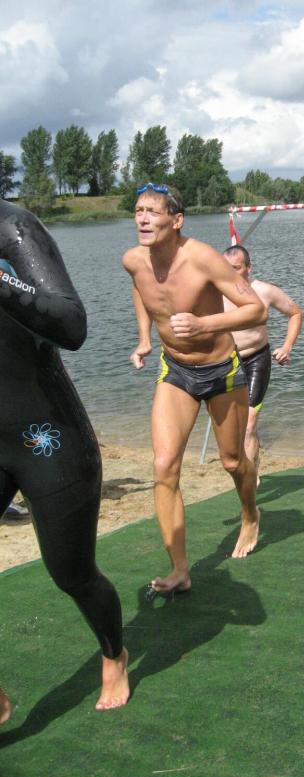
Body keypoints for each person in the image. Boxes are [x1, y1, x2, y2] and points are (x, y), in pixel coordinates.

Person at [0, 198, 128, 712]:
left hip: (45, 434)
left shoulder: (13, 227)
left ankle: (114, 653)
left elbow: (72, 325)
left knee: (72, 574)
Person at [124, 184, 266, 588]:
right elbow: (141, 289)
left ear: (177, 220)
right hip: (175, 371)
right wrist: (144, 338)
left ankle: (250, 513)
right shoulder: (133, 260)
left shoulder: (202, 258)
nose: (143, 219)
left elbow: (255, 310)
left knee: (232, 461)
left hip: (221, 370)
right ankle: (180, 570)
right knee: (164, 465)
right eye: (138, 211)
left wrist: (204, 324)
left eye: (153, 212)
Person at [222, 244, 304, 481]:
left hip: (256, 359)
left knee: (249, 424)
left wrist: (287, 346)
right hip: (225, 362)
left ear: (249, 268)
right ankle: (249, 460)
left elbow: (295, 313)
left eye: (236, 268)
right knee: (231, 427)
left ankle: (250, 478)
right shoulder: (214, 292)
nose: (230, 273)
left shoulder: (264, 291)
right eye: (226, 268)